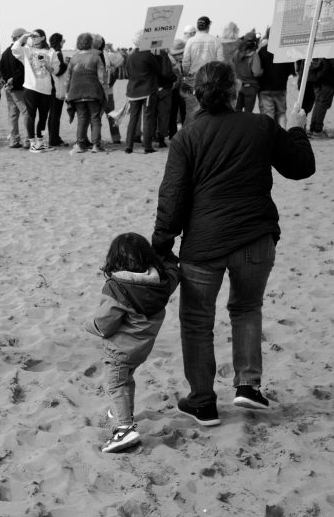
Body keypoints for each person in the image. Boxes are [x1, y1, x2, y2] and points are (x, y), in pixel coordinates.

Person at [153, 61, 315, 426]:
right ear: (235, 91)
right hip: (254, 239)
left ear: (197, 93)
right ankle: (247, 385)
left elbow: (173, 198)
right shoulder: (259, 125)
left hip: (204, 243)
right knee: (246, 308)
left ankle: (202, 401)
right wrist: (295, 127)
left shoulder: (187, 136)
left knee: (197, 322)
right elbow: (301, 166)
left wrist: (161, 244)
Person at [86, 233, 179, 453]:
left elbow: (105, 324)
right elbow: (174, 273)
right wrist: (168, 256)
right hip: (141, 348)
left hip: (120, 350)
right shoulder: (160, 283)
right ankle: (122, 412)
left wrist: (88, 325)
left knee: (116, 384)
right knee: (126, 380)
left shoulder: (116, 288)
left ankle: (124, 429)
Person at [13, 29, 59, 152]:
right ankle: (32, 142)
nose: (32, 38)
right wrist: (24, 36)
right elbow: (15, 49)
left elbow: (56, 69)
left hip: (46, 89)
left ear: (43, 37)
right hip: (31, 87)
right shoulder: (28, 50)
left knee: (43, 117)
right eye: (31, 36)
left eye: (35, 36)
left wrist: (49, 66)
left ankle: (40, 141)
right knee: (31, 116)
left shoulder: (51, 51)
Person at [63, 32, 107, 153]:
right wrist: (105, 92)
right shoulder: (96, 57)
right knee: (95, 118)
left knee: (82, 118)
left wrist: (67, 93)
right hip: (93, 92)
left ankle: (80, 144)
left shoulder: (74, 58)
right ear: (91, 44)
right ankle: (96, 145)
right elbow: (102, 77)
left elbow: (67, 78)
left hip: (76, 93)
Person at [124, 32, 162, 153]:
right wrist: (157, 57)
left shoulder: (130, 55)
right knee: (147, 118)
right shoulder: (148, 55)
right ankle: (147, 146)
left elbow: (127, 73)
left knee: (133, 119)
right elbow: (158, 70)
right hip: (147, 90)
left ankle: (128, 146)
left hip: (133, 90)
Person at [180, 17, 223, 124]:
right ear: (208, 26)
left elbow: (185, 61)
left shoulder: (190, 41)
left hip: (193, 77)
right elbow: (221, 62)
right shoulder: (215, 40)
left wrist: (186, 74)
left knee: (191, 109)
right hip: (210, 78)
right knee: (209, 107)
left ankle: (189, 134)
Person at [257, 28, 295, 128]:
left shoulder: (262, 51)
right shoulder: (285, 51)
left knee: (268, 115)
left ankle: (270, 138)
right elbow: (291, 71)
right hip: (281, 87)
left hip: (265, 88)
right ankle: (282, 136)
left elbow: (257, 69)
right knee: (281, 114)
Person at [0, 28, 28, 148]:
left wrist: (7, 81)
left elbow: (2, 71)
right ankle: (28, 140)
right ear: (18, 37)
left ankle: (14, 140)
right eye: (25, 37)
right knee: (26, 112)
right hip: (18, 88)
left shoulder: (5, 53)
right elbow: (21, 70)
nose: (26, 39)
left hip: (9, 88)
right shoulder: (20, 51)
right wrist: (13, 81)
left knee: (13, 114)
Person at [231, 30, 262, 113]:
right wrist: (262, 71)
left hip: (238, 86)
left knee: (237, 112)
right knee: (248, 113)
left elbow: (233, 66)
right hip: (250, 87)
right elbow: (256, 72)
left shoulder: (236, 54)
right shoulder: (254, 55)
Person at [47, 33, 69, 147]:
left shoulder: (49, 52)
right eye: (63, 41)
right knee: (55, 115)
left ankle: (53, 137)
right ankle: (53, 138)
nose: (63, 43)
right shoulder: (58, 53)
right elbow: (59, 71)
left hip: (49, 87)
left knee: (52, 114)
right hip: (57, 87)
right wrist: (66, 64)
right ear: (59, 42)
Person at [308, 58, 334, 136]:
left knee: (319, 103)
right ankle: (317, 129)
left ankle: (314, 127)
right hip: (328, 81)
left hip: (322, 80)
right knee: (323, 103)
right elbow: (328, 66)